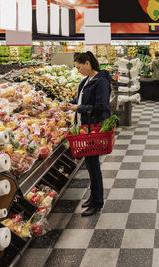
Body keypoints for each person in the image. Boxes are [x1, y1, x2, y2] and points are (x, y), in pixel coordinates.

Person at [62, 51, 111, 216]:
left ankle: (97, 202)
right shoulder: (86, 81)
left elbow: (101, 106)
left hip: (95, 128)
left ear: (88, 63)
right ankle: (93, 197)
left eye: (79, 67)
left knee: (93, 165)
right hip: (85, 127)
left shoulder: (101, 82)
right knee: (90, 165)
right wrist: (69, 105)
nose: (77, 71)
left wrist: (78, 108)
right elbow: (80, 101)